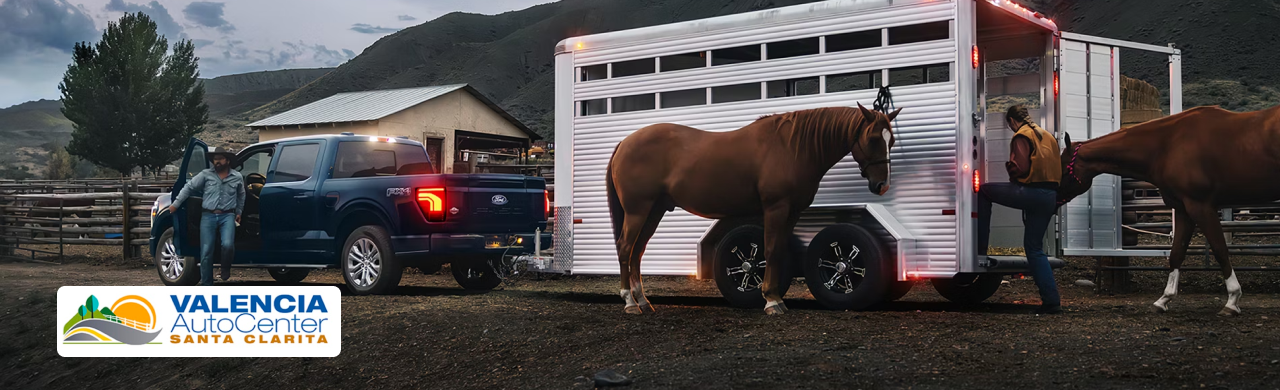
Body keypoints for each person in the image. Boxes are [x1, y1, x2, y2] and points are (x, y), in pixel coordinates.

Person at [976, 105, 1063, 314]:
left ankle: (980, 249)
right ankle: (1052, 302)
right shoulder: (1047, 135)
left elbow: (1020, 167)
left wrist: (1010, 168)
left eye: (1009, 124)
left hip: (1030, 192)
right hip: (1050, 196)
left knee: (984, 191)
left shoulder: (1021, 136)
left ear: (1013, 121)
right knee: (1034, 248)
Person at [169, 149, 245, 286]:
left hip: (227, 215)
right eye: (215, 159)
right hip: (208, 216)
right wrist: (176, 204)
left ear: (227, 161)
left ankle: (225, 268)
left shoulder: (237, 177)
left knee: (228, 245)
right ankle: (206, 284)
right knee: (206, 250)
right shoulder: (205, 175)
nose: (217, 161)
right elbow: (189, 187)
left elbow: (241, 195)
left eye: (220, 158)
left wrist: (239, 212)